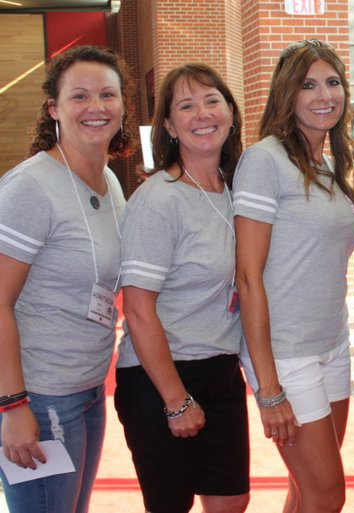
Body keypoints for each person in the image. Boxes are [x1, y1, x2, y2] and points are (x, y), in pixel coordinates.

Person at [0, 45, 132, 513]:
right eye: (79, 96)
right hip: (39, 394)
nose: (96, 107)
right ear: (54, 108)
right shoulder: (30, 188)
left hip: (89, 387)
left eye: (107, 95)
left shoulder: (110, 181)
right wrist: (12, 407)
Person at [113, 63, 248, 513]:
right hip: (162, 378)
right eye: (186, 106)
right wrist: (175, 401)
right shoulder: (159, 199)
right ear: (168, 125)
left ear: (230, 111)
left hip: (222, 371)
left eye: (212, 101)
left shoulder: (236, 189)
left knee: (232, 501)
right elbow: (137, 308)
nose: (202, 114)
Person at [234, 39, 354, 513]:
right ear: (287, 95)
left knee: (306, 490)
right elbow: (247, 276)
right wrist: (268, 387)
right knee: (328, 495)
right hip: (286, 354)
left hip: (330, 343)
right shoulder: (264, 160)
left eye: (332, 83)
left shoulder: (330, 165)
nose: (324, 94)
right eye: (308, 85)